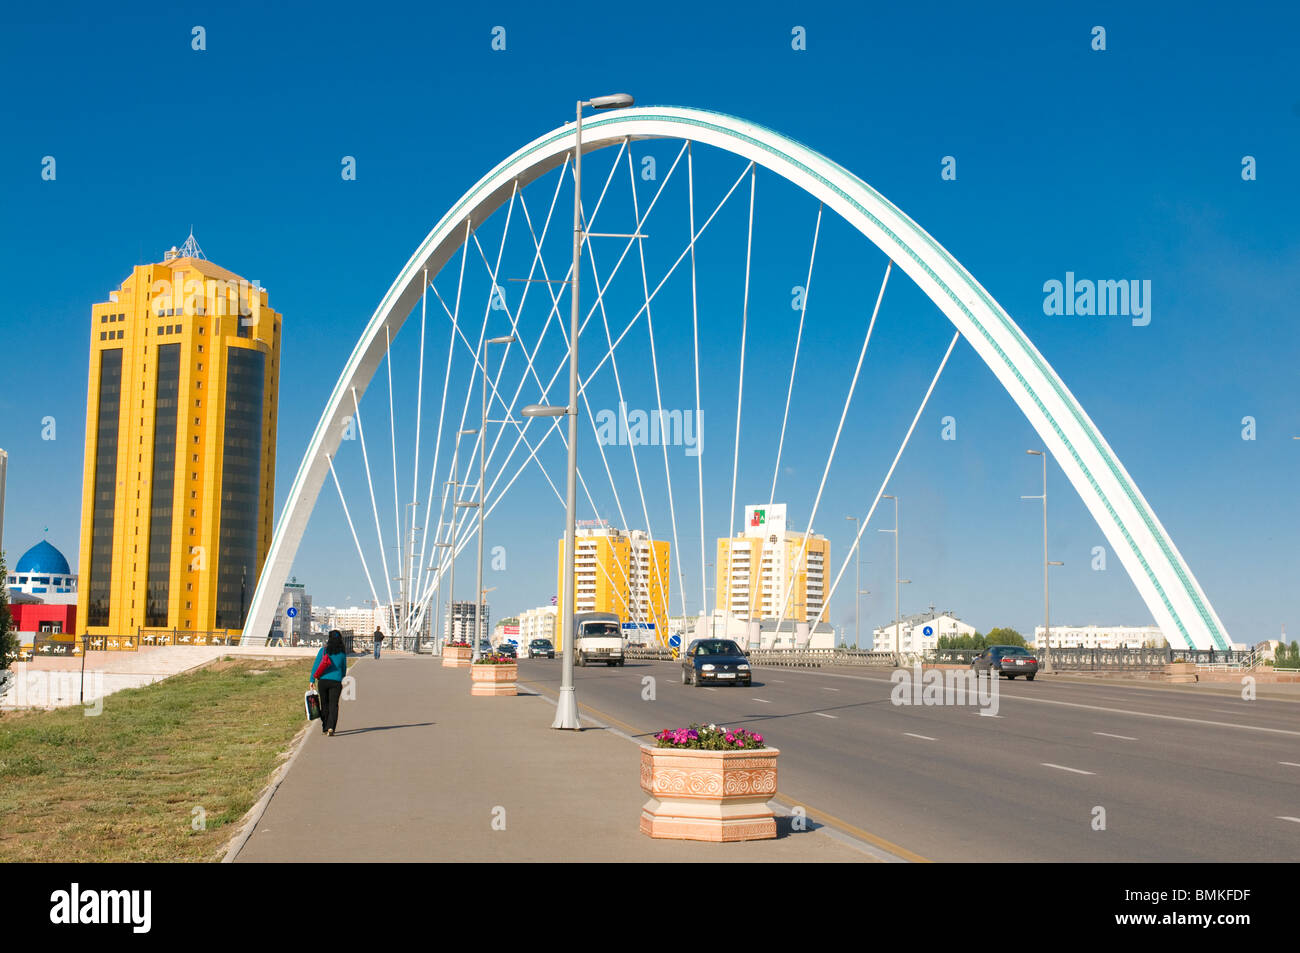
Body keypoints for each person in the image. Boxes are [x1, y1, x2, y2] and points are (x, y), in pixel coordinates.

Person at [310, 630, 348, 736]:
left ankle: (325, 727)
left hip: (323, 681)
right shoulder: (342, 653)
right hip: (336, 682)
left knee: (324, 705)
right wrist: (341, 677)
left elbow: (316, 665)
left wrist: (312, 680)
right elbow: (344, 668)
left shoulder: (323, 650)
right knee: (334, 705)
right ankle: (331, 727)